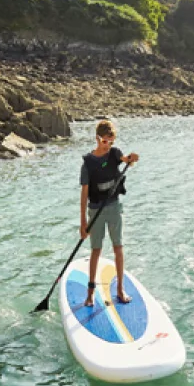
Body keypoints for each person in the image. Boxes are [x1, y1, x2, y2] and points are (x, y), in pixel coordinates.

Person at [80, 119, 139, 307]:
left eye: (111, 141)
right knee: (96, 250)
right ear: (97, 139)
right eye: (105, 141)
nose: (108, 145)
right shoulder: (88, 164)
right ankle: (90, 293)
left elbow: (126, 160)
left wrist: (132, 158)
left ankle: (120, 289)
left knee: (118, 248)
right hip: (95, 210)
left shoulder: (115, 153)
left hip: (113, 208)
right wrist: (83, 224)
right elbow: (84, 195)